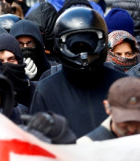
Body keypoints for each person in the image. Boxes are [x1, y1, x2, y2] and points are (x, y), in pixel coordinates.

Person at [30, 7, 127, 137]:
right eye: (74, 46)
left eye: (88, 43)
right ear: (60, 45)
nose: (83, 54)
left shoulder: (122, 84)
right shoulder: (47, 91)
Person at [79, 77, 140, 142]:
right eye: (126, 121)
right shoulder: (86, 146)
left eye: (138, 121)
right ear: (107, 107)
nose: (132, 129)